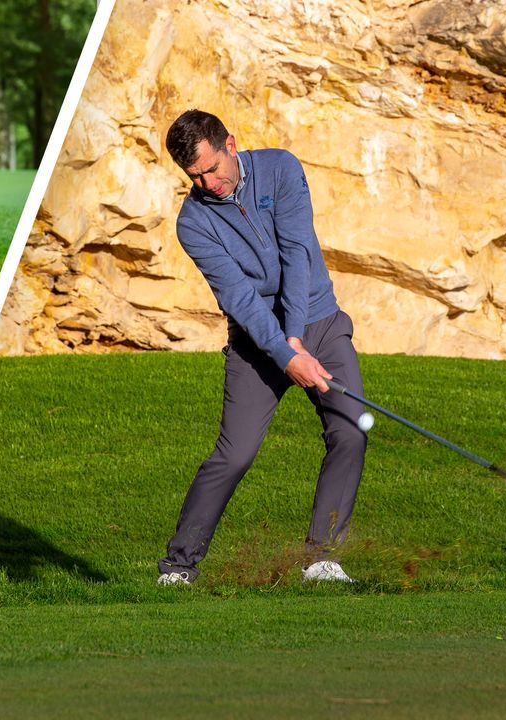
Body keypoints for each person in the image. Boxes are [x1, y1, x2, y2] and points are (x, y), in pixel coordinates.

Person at [156, 109, 366, 586]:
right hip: (255, 343)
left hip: (320, 320)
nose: (207, 183)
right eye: (194, 176)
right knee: (234, 454)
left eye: (211, 169)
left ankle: (323, 559)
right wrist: (284, 352)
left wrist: (297, 338)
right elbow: (239, 299)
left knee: (351, 430)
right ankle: (179, 566)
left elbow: (297, 253)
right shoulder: (193, 224)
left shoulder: (281, 168)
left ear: (230, 144)